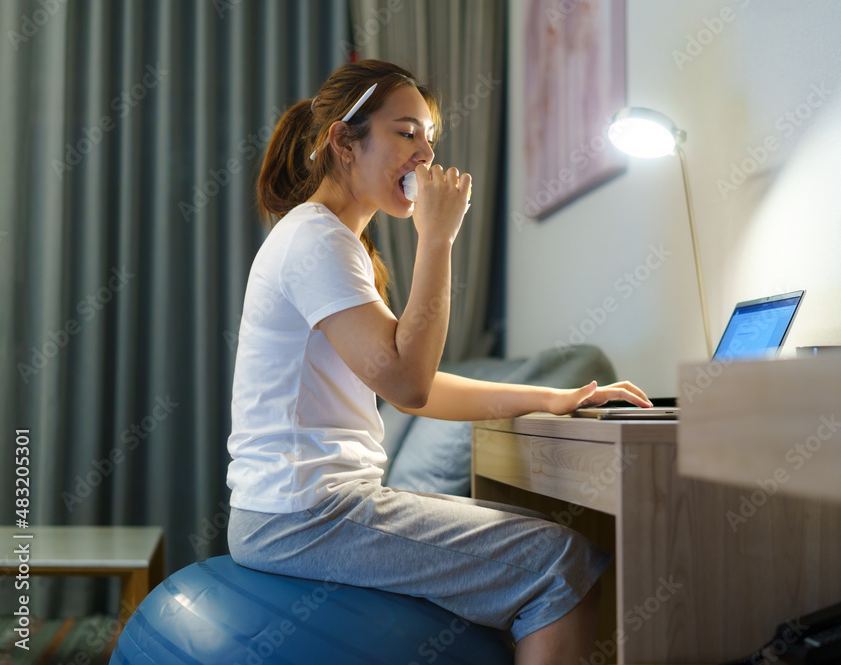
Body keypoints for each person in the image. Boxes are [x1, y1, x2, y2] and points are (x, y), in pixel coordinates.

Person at [226, 59, 651, 665]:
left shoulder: (330, 239)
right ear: (344, 140)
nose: (426, 155)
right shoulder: (317, 240)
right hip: (303, 516)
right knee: (560, 564)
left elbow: (404, 388)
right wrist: (437, 238)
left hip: (292, 510)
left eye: (430, 138)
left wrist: (551, 398)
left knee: (543, 545)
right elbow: (411, 382)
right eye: (407, 133)